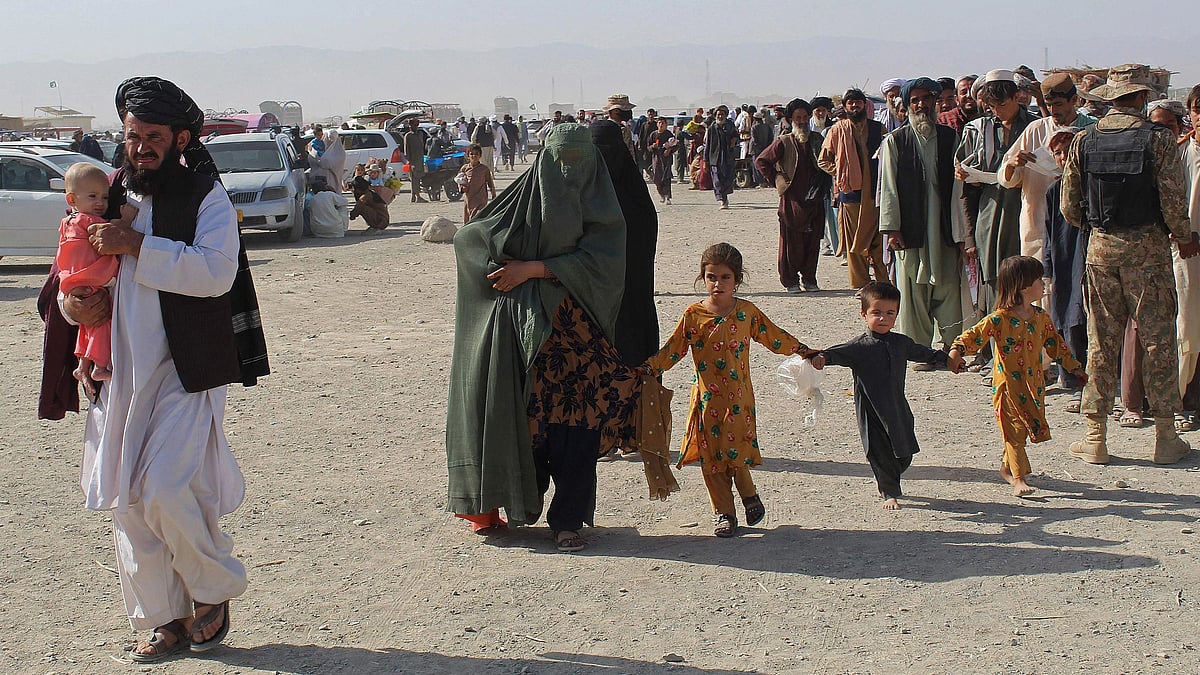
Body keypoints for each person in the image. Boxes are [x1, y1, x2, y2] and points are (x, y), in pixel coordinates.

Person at [57, 76, 269, 662]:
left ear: (180, 139)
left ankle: (213, 589)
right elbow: (67, 271)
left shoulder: (205, 197)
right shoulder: (105, 192)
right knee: (127, 501)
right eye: (133, 135)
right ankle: (163, 618)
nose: (141, 146)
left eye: (154, 136)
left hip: (182, 369)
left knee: (166, 489)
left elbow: (214, 273)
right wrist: (75, 305)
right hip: (116, 372)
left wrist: (135, 248)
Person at [446, 123, 639, 553]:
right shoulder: (522, 201)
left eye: (578, 161)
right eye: (560, 161)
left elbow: (606, 265)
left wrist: (533, 270)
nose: (569, 171)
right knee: (529, 432)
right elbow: (469, 239)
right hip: (528, 344)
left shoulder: (605, 210)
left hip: (580, 344)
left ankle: (568, 520)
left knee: (578, 436)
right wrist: (504, 270)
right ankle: (516, 505)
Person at [1060, 64, 1198, 465]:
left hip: (1101, 252)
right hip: (1150, 254)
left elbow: (1070, 207)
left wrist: (1101, 229)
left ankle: (1095, 437)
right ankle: (1165, 437)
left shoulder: (1084, 140)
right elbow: (1174, 204)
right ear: (1141, 98)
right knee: (1158, 341)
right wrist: (1182, 235)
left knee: (1102, 343)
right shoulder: (1159, 140)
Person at [644, 243, 813, 537]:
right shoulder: (693, 316)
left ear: (737, 280)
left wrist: (804, 351)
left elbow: (774, 337)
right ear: (703, 278)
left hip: (739, 399)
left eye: (725, 277)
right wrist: (647, 369)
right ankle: (723, 513)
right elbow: (673, 350)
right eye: (711, 277)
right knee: (711, 457)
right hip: (706, 400)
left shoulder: (747, 313)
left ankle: (749, 494)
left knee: (733, 452)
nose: (717, 284)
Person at [948, 256, 1086, 496]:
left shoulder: (1040, 317)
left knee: (1024, 428)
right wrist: (956, 351)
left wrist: (1074, 368)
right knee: (1013, 429)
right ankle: (1019, 478)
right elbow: (973, 335)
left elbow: (1056, 344)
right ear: (1023, 286)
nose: (1043, 285)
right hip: (1008, 387)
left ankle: (1006, 467)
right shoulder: (1000, 318)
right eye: (1038, 280)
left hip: (1034, 386)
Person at [809, 281, 949, 509]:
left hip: (896, 407)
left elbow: (923, 353)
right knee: (880, 451)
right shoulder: (859, 347)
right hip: (871, 409)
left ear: (896, 315)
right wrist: (820, 358)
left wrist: (947, 360)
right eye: (876, 313)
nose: (883, 318)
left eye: (889, 313)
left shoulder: (900, 343)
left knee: (904, 452)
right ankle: (889, 492)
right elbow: (834, 354)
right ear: (864, 314)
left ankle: (889, 477)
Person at [878, 77, 966, 357]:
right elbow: (889, 187)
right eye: (914, 100)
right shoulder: (895, 140)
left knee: (950, 285)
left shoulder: (950, 137)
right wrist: (891, 228)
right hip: (911, 228)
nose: (920, 104)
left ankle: (954, 344)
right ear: (907, 105)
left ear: (934, 102)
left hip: (943, 224)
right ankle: (918, 350)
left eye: (925, 99)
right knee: (913, 288)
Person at [957, 70, 1036, 312]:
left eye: (1001, 104)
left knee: (1026, 277)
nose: (997, 111)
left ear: (1016, 97)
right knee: (993, 281)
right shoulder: (978, 130)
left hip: (1026, 209)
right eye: (991, 106)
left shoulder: (1035, 126)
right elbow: (965, 186)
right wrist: (969, 234)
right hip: (991, 212)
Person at [998, 73, 1098, 262]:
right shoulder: (1035, 130)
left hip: (1079, 223)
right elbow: (1006, 178)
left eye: (1058, 104)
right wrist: (1013, 164)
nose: (1053, 110)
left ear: (1074, 100)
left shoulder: (1091, 131)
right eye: (1049, 104)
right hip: (1038, 222)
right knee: (1040, 283)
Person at [754, 98, 830, 293]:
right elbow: (762, 161)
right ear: (791, 120)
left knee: (812, 243)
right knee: (791, 244)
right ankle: (790, 281)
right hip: (792, 200)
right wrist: (778, 181)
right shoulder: (784, 142)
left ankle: (810, 279)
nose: (803, 121)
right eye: (798, 118)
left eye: (805, 117)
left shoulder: (817, 139)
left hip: (815, 200)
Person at [818, 88, 889, 290]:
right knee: (855, 245)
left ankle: (883, 284)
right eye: (851, 103)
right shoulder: (837, 130)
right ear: (846, 106)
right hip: (851, 196)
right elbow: (823, 160)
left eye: (858, 102)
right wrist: (841, 174)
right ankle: (861, 285)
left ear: (864, 105)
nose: (855, 106)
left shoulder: (878, 128)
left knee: (878, 242)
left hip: (876, 194)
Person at [56, 163, 120, 383]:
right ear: (72, 200)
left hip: (74, 279)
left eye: (104, 197)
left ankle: (83, 365)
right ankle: (99, 365)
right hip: (91, 277)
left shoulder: (67, 222)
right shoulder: (89, 220)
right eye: (93, 196)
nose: (101, 203)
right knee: (100, 319)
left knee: (89, 324)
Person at [1042, 128, 1089, 412]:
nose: (1063, 157)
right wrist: (1048, 266)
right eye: (1058, 153)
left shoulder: (1093, 184)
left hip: (1088, 259)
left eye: (1068, 150)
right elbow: (1049, 233)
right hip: (1064, 260)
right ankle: (1073, 379)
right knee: (1068, 318)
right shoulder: (1054, 190)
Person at [1176, 86, 1200, 432]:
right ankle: (1181, 402)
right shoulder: (1180, 153)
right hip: (1186, 250)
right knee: (1187, 327)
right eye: (1198, 109)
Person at [707, 105, 738, 209]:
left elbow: (736, 135)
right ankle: (722, 200)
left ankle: (724, 197)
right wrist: (705, 160)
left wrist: (734, 140)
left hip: (727, 157)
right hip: (715, 158)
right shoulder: (712, 128)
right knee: (717, 180)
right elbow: (708, 144)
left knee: (727, 179)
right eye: (718, 115)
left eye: (722, 114)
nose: (720, 116)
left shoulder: (730, 125)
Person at [456, 143, 496, 222]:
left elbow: (490, 183)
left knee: (478, 217)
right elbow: (459, 179)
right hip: (469, 197)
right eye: (472, 154)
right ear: (468, 156)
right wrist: (461, 188)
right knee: (468, 219)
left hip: (481, 198)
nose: (474, 156)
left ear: (480, 156)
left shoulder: (484, 169)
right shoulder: (465, 168)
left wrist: (494, 195)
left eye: (476, 154)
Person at [348, 164, 390, 232]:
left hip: (381, 220)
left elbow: (358, 206)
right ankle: (374, 225)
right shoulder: (369, 193)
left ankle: (376, 226)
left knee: (361, 207)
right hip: (381, 219)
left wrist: (351, 215)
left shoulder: (366, 196)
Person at [646, 117, 677, 204]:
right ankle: (661, 195)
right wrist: (653, 146)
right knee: (657, 178)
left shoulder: (668, 134)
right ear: (657, 124)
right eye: (659, 123)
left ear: (666, 124)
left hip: (666, 159)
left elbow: (675, 144)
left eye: (663, 123)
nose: (661, 125)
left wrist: (669, 150)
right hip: (656, 158)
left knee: (666, 177)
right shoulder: (653, 135)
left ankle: (667, 196)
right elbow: (648, 147)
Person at [404, 119, 429, 203]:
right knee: (414, 179)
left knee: (417, 178)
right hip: (413, 161)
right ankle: (416, 196)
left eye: (415, 125)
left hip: (420, 159)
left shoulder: (420, 134)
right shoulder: (408, 136)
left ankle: (415, 195)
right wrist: (408, 160)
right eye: (412, 125)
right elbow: (406, 149)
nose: (414, 127)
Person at [313, 127, 345, 191]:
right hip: (334, 177)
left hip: (330, 178)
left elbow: (325, 163)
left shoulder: (330, 151)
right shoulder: (340, 151)